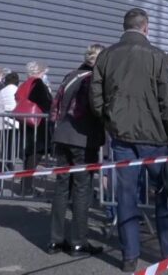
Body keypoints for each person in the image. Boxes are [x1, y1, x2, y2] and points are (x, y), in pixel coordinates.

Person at [90, 8, 168, 273]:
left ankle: (130, 256)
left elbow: (95, 98)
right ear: (146, 27)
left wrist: (109, 120)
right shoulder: (156, 56)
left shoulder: (107, 55)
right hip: (155, 136)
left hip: (122, 136)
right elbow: (167, 100)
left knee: (125, 196)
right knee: (164, 194)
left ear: (124, 26)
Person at [48, 44, 106, 257]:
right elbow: (96, 108)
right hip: (83, 138)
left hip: (61, 136)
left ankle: (55, 240)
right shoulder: (94, 78)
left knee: (62, 187)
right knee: (82, 189)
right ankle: (78, 242)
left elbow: (55, 106)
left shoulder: (70, 75)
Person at [18, 61, 53, 195]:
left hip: (27, 123)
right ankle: (26, 186)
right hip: (38, 124)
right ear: (40, 71)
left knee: (29, 155)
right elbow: (46, 102)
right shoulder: (38, 84)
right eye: (44, 72)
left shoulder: (25, 83)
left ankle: (25, 185)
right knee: (34, 155)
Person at [0, 71, 21, 167]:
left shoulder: (2, 91)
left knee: (4, 144)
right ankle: (9, 164)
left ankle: (3, 162)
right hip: (15, 122)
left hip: (2, 121)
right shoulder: (18, 90)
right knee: (13, 145)